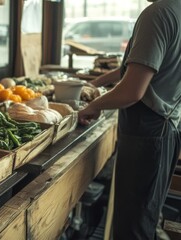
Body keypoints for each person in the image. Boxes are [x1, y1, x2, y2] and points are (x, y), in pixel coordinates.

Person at [78, 0, 181, 239]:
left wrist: (93, 106)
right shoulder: (175, 10)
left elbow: (132, 91)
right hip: (167, 130)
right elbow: (136, 68)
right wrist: (94, 84)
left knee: (133, 228)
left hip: (148, 132)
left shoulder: (157, 14)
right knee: (145, 220)